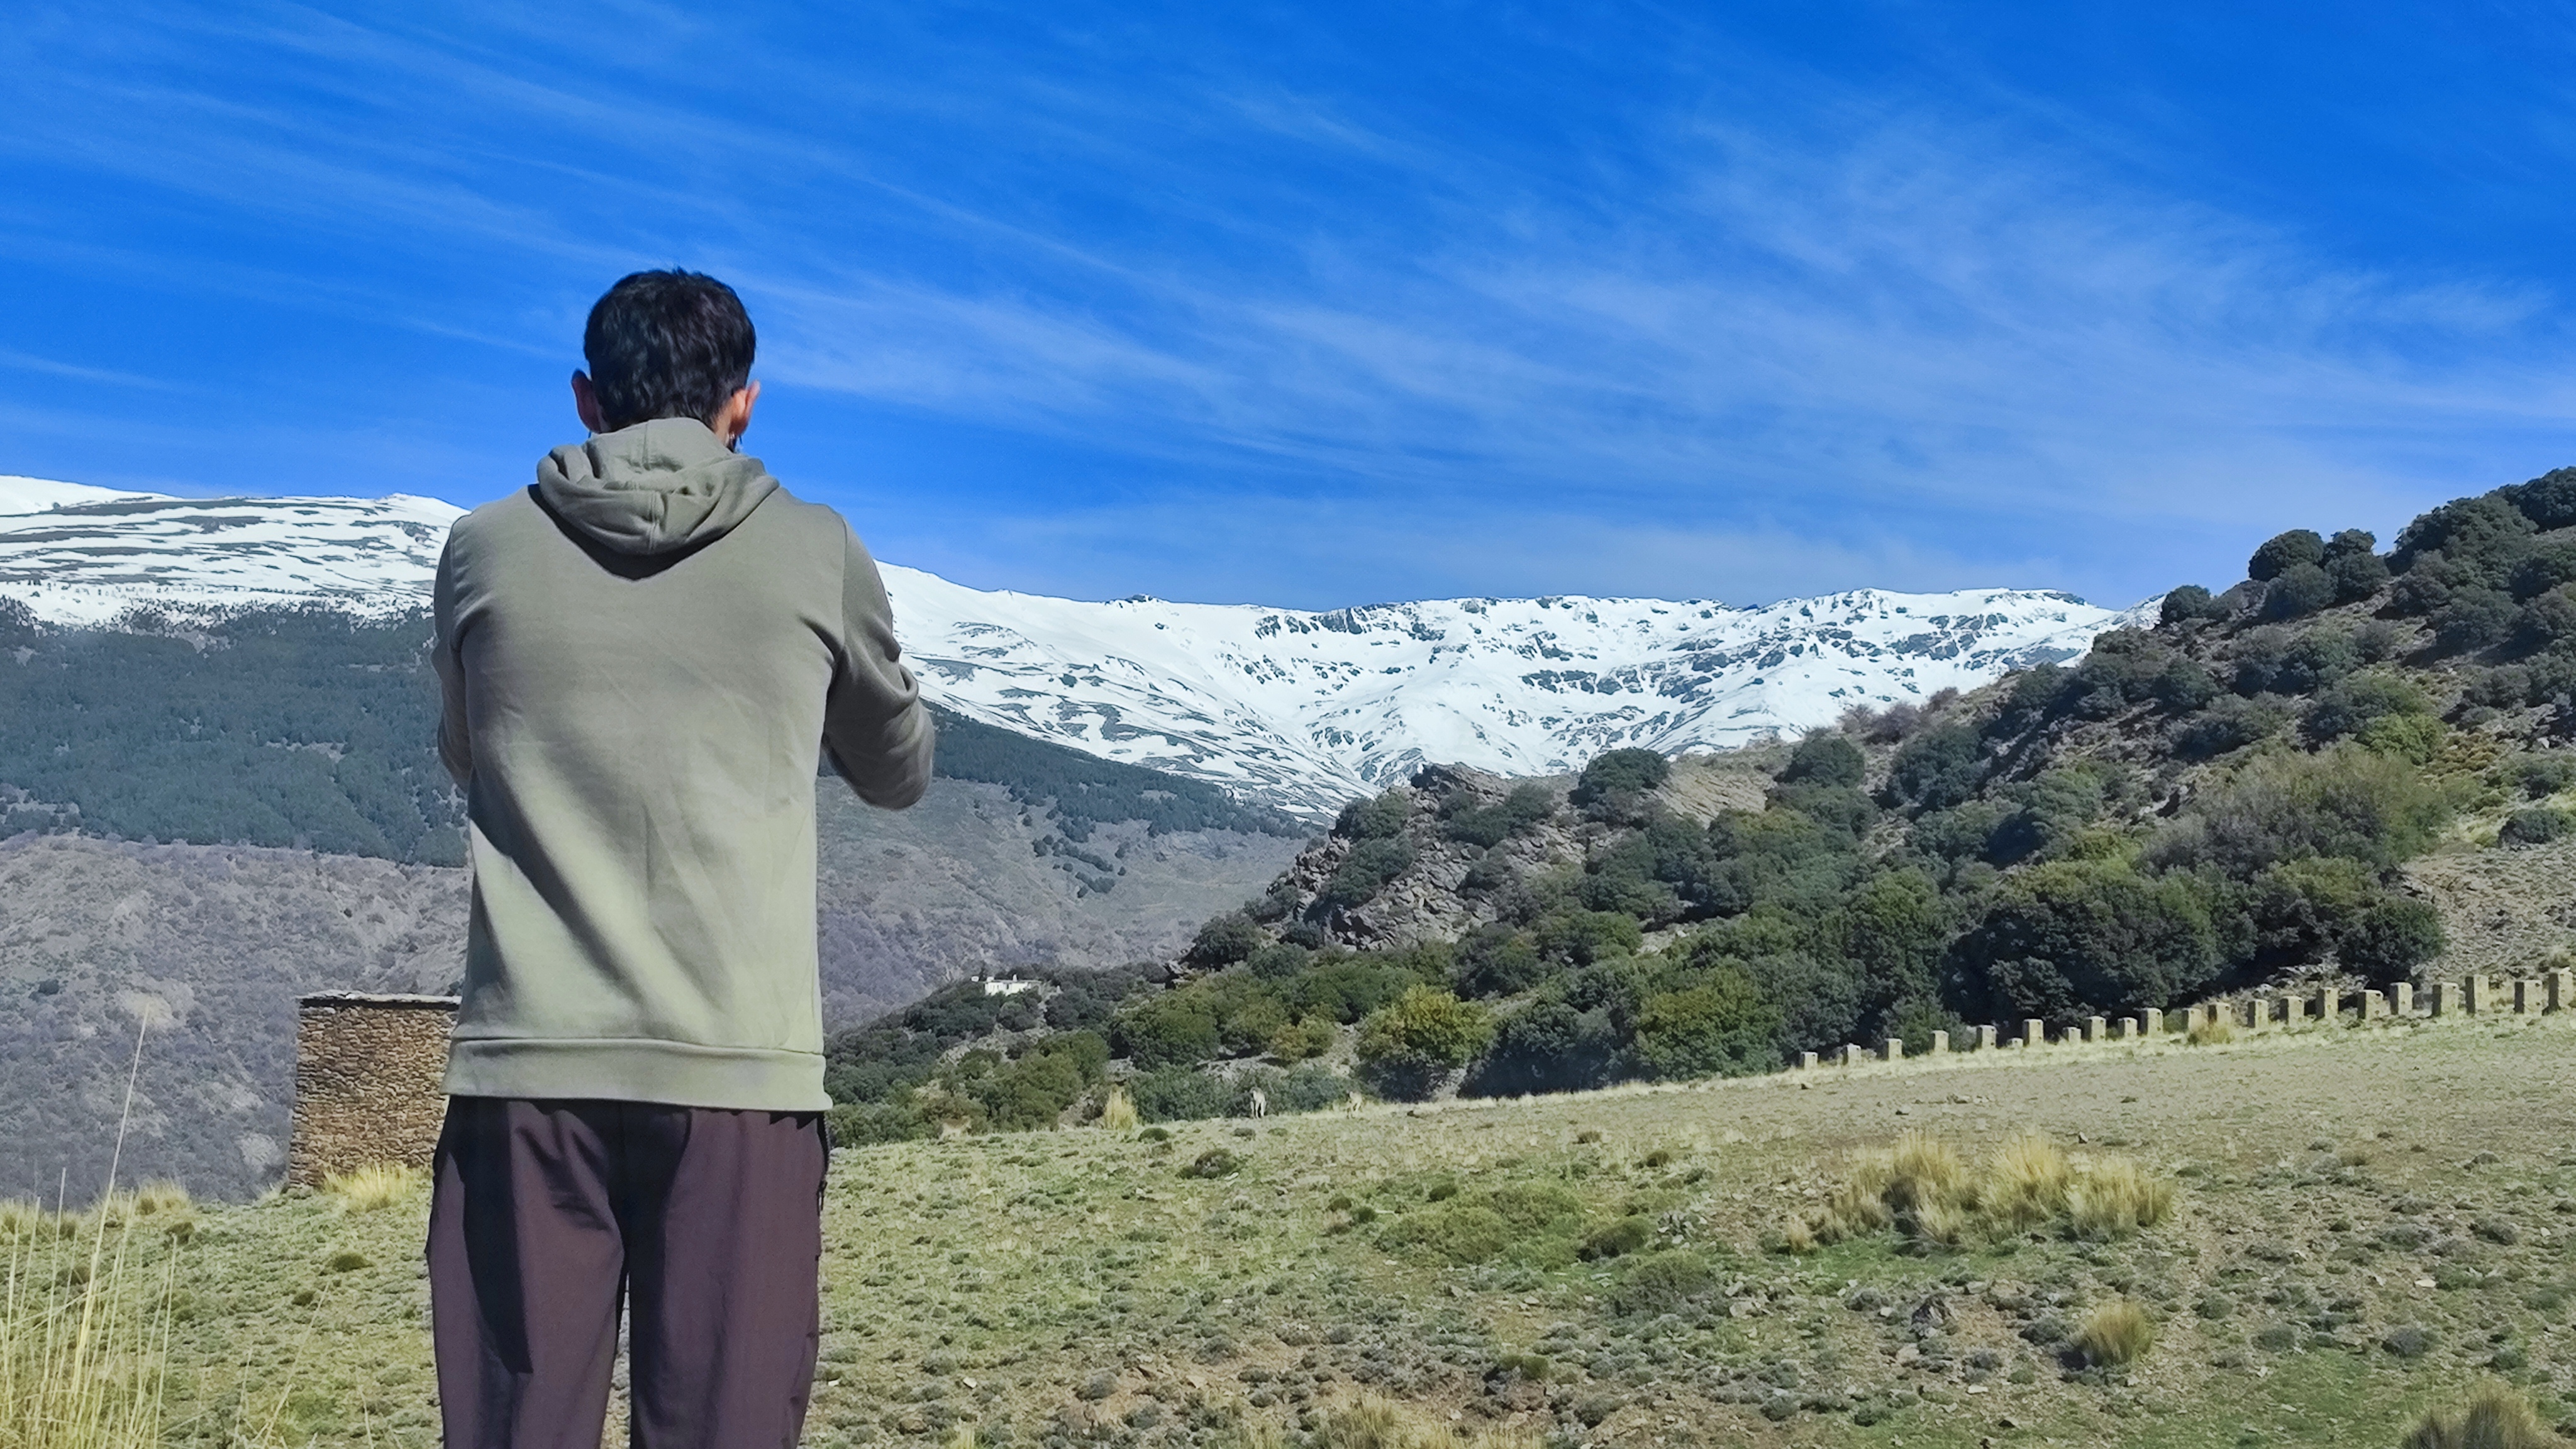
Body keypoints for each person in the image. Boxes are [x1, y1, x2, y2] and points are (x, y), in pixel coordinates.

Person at [426, 269, 933, 1448]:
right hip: (737, 1073)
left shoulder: (483, 550)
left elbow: (470, 755)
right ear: (744, 404)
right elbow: (897, 772)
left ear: (585, 397)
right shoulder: (818, 550)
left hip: (525, 1074)